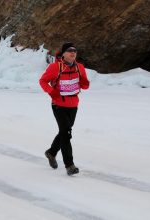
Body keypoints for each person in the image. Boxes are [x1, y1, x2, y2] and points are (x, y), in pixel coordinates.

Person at [39, 42, 90, 176]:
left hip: (73, 105)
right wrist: (52, 92)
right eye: (69, 51)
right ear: (63, 54)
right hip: (58, 105)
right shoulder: (55, 67)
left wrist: (85, 82)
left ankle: (51, 152)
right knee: (66, 133)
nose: (73, 53)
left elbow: (84, 85)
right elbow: (43, 81)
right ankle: (69, 165)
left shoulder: (80, 67)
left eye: (74, 51)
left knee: (64, 131)